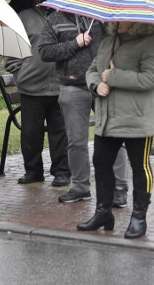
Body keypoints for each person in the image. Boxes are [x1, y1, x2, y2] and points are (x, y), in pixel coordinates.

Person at [39, 0, 128, 205]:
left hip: (102, 85)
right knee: (76, 141)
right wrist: (75, 43)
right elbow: (45, 52)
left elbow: (118, 42)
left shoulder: (101, 18)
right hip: (72, 87)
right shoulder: (54, 20)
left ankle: (119, 187)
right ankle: (80, 187)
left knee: (112, 135)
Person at [78, 21, 154, 239]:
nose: (114, 23)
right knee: (101, 163)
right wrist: (95, 84)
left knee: (140, 167)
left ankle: (139, 217)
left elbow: (150, 78)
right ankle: (103, 213)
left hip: (136, 119)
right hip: (107, 118)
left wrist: (114, 76)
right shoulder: (108, 40)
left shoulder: (149, 43)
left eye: (120, 19)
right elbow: (93, 70)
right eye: (112, 19)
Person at [5, 1, 70, 186]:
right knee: (31, 133)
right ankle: (33, 171)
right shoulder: (24, 16)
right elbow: (12, 49)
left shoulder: (65, 15)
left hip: (60, 86)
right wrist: (21, 73)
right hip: (31, 88)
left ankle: (62, 172)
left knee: (60, 133)